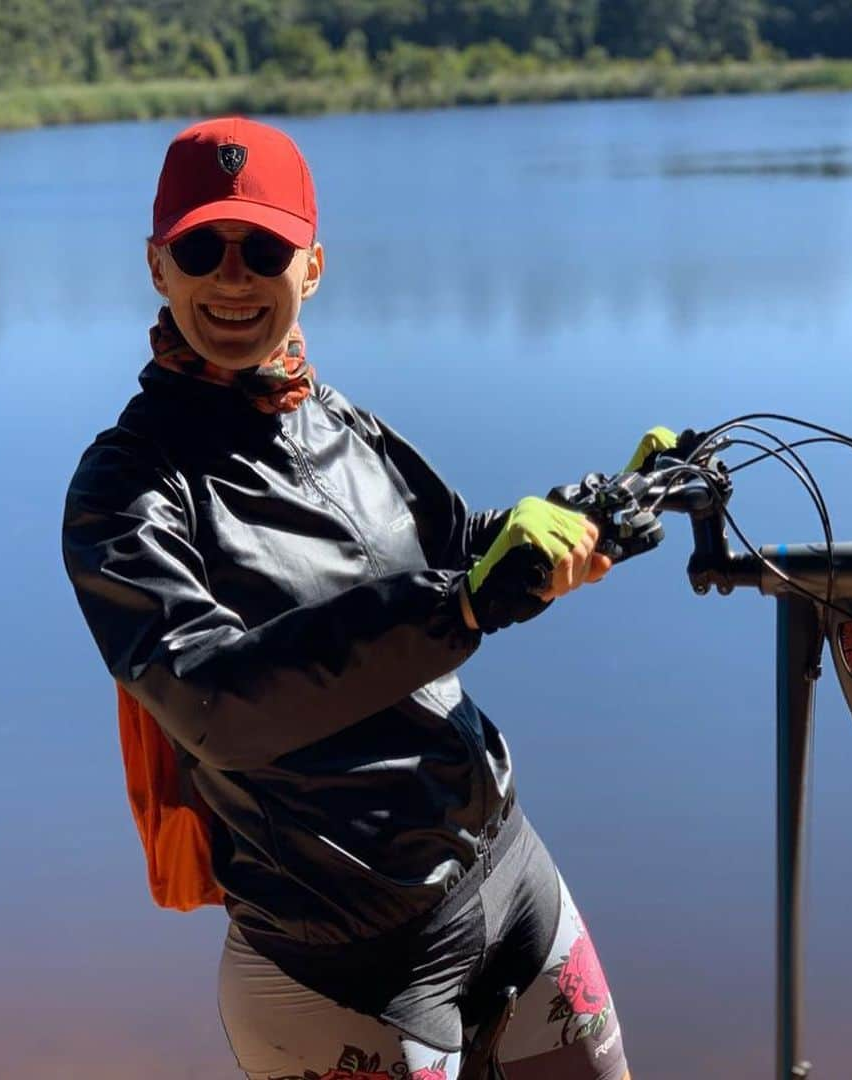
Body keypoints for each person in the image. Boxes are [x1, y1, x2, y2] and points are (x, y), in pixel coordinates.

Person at [63, 116, 673, 1080]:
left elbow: (457, 549)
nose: (232, 277)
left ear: (311, 267)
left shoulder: (336, 418)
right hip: (340, 969)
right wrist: (465, 607)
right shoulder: (126, 489)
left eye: (263, 247)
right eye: (200, 248)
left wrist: (582, 514)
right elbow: (213, 700)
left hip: (511, 879)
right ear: (156, 266)